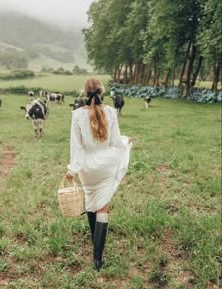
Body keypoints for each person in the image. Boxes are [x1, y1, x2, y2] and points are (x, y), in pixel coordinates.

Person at [65, 78, 132, 271]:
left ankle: (95, 244)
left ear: (85, 92)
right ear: (102, 92)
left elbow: (76, 147)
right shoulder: (110, 111)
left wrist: (72, 170)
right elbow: (117, 143)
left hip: (87, 168)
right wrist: (127, 141)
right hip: (105, 165)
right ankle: (97, 260)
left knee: (90, 203)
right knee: (102, 206)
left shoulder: (77, 115)